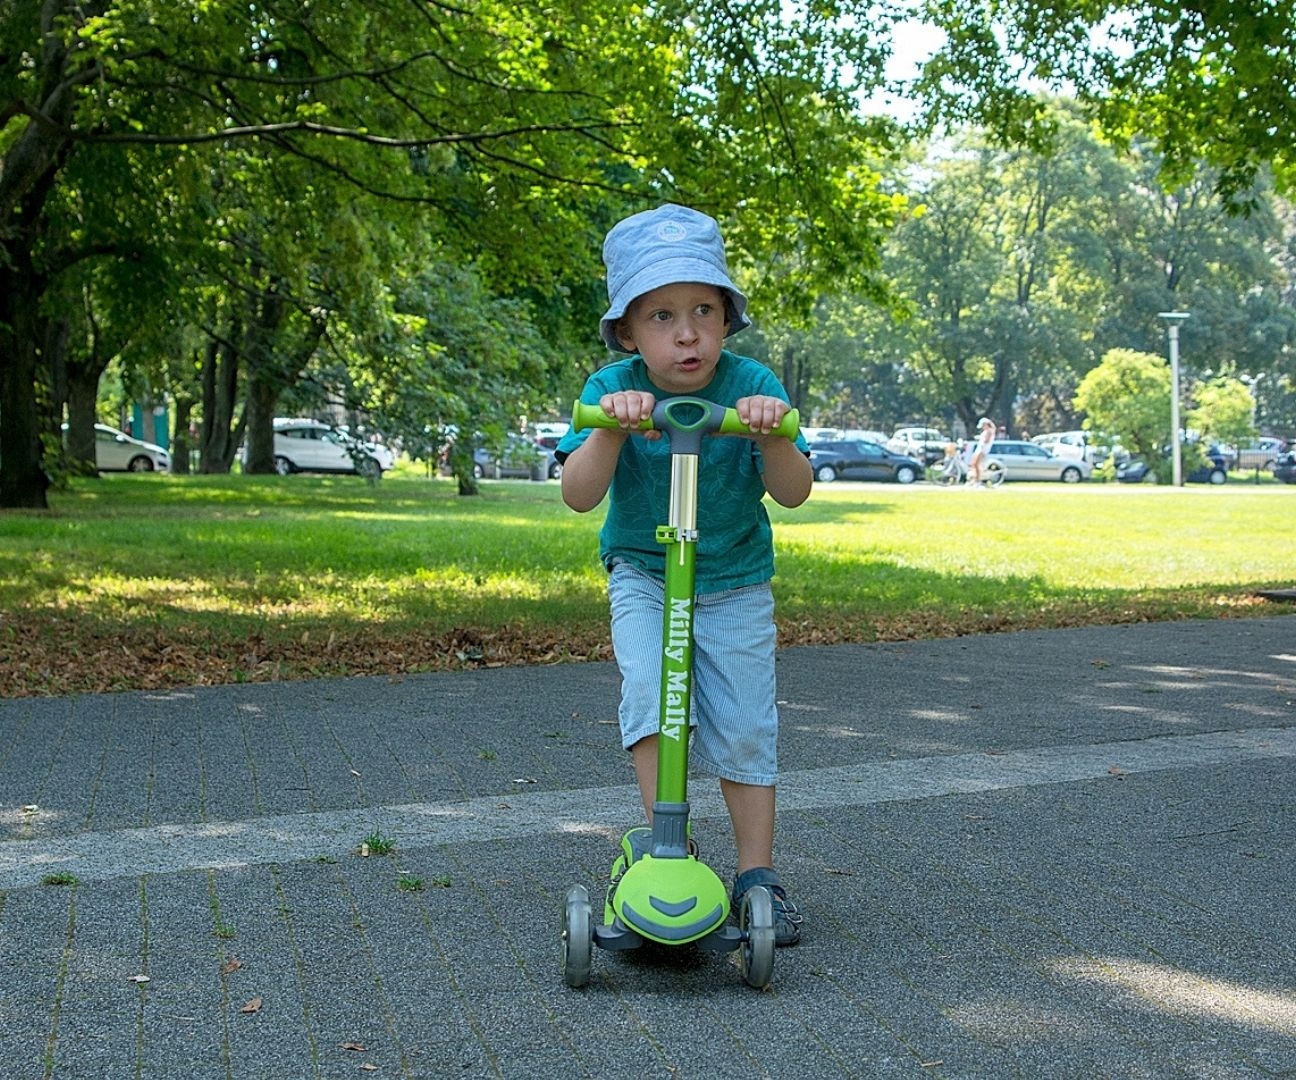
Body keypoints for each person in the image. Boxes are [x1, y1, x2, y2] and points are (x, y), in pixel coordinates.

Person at [556, 204, 812, 945]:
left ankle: (757, 876)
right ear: (629, 332)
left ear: (727, 319)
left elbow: (794, 491)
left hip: (733, 579)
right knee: (651, 697)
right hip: (645, 573)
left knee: (744, 724)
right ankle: (668, 848)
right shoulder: (611, 386)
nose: (687, 332)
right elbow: (578, 495)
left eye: (704, 310)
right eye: (662, 315)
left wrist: (770, 431)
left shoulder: (752, 381)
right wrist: (609, 423)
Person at [966, 416, 996, 487]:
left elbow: (986, 441)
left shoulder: (989, 431)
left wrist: (982, 440)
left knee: (976, 465)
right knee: (972, 464)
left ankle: (977, 481)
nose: (982, 427)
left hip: (982, 450)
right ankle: (973, 479)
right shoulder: (986, 431)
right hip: (979, 449)